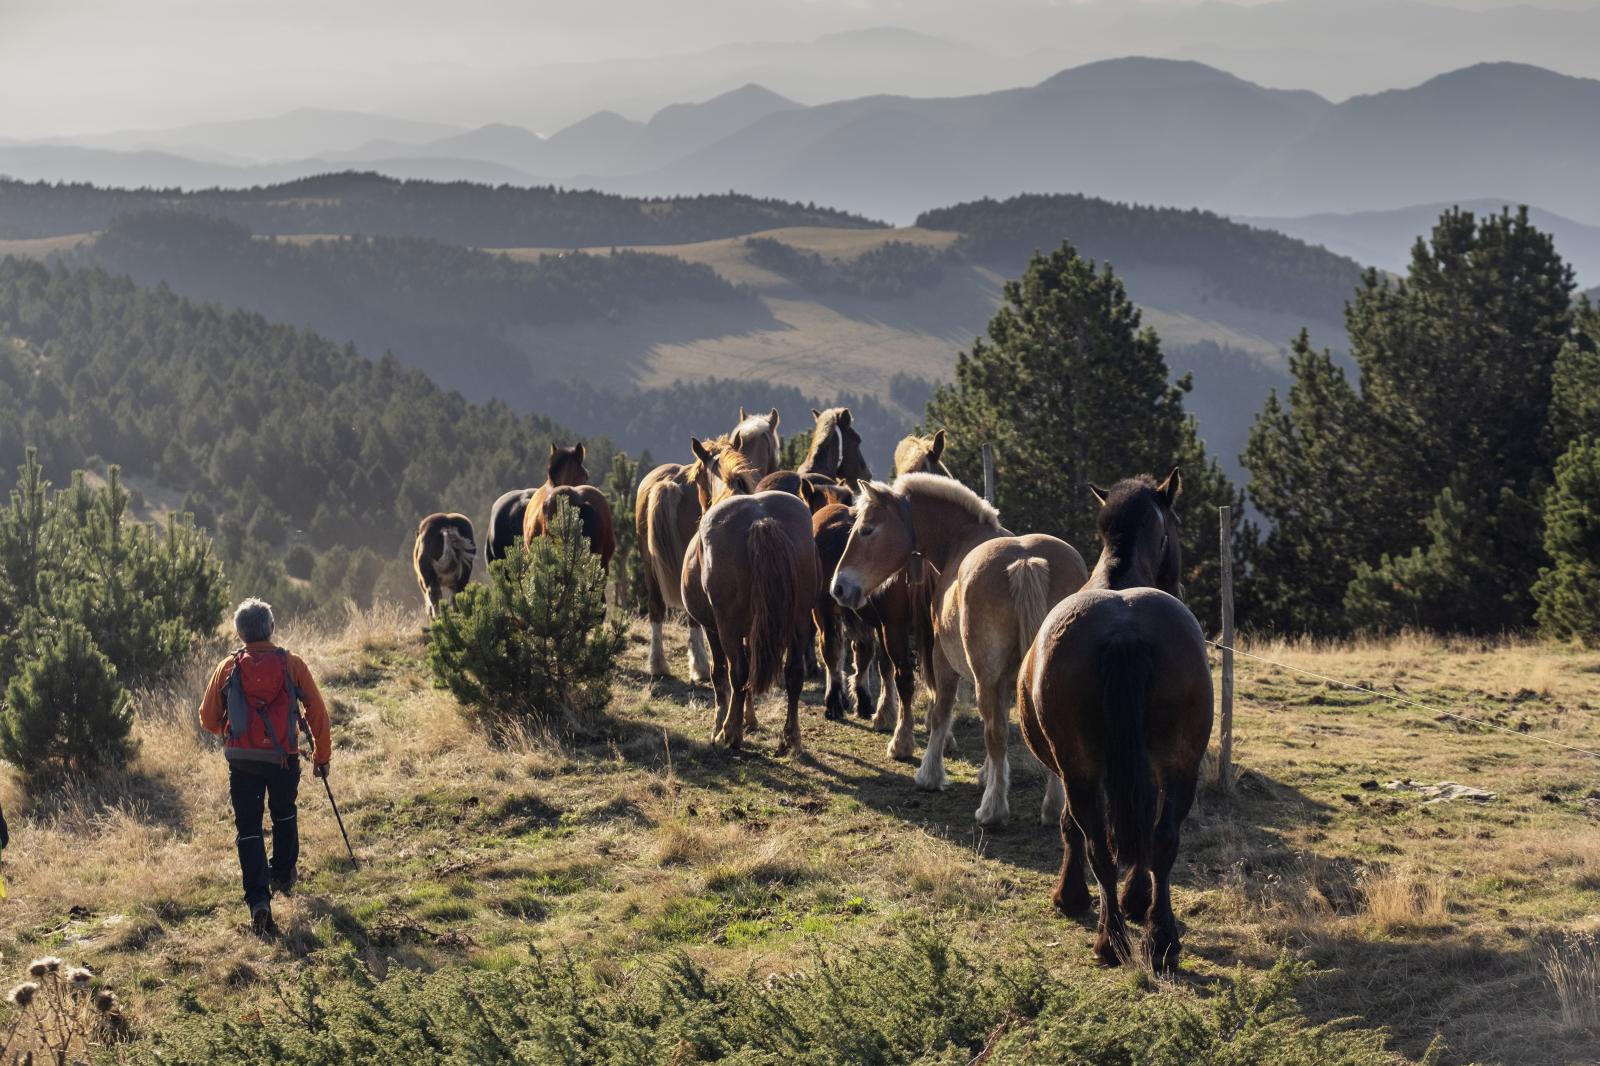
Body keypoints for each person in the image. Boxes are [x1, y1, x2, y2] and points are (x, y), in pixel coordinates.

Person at [198, 599, 332, 936]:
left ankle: (258, 900)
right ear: (271, 628)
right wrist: (321, 757)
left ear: (240, 633)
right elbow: (317, 712)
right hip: (283, 757)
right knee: (284, 813)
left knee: (248, 828)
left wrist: (231, 734)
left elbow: (206, 717)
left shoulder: (227, 667)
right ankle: (283, 877)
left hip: (242, 759)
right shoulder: (292, 664)